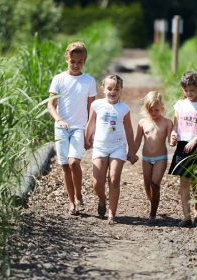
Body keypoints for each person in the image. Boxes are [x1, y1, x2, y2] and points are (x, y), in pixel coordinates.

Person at [48, 41, 97, 216]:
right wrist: (59, 119)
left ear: (84, 61)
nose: (76, 65)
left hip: (79, 128)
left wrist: (90, 132)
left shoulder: (89, 81)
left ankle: (79, 195)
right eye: (73, 61)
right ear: (66, 58)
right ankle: (71, 202)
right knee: (65, 166)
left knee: (74, 162)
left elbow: (92, 109)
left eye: (80, 62)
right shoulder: (58, 79)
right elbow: (51, 105)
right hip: (61, 128)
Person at [85, 74, 137, 225]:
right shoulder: (97, 105)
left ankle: (111, 213)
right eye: (109, 88)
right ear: (103, 89)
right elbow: (91, 123)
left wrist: (131, 151)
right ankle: (102, 200)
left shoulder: (124, 109)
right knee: (97, 182)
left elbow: (129, 131)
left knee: (114, 178)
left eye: (117, 89)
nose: (113, 92)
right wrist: (87, 139)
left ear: (121, 90)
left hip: (118, 147)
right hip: (100, 146)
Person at [168, 71, 197, 227]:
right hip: (182, 146)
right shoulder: (180, 104)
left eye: (192, 90)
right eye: (186, 90)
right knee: (184, 182)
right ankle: (186, 217)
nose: (189, 93)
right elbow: (175, 125)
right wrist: (173, 134)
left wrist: (195, 140)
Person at [134, 91, 173, 223]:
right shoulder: (142, 122)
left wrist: (173, 140)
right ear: (146, 108)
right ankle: (154, 203)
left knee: (154, 184)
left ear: (162, 107)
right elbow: (137, 141)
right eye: (151, 110)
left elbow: (170, 140)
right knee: (147, 185)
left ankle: (153, 214)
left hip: (160, 158)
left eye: (156, 110)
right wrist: (131, 153)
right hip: (146, 158)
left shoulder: (167, 123)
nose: (154, 113)